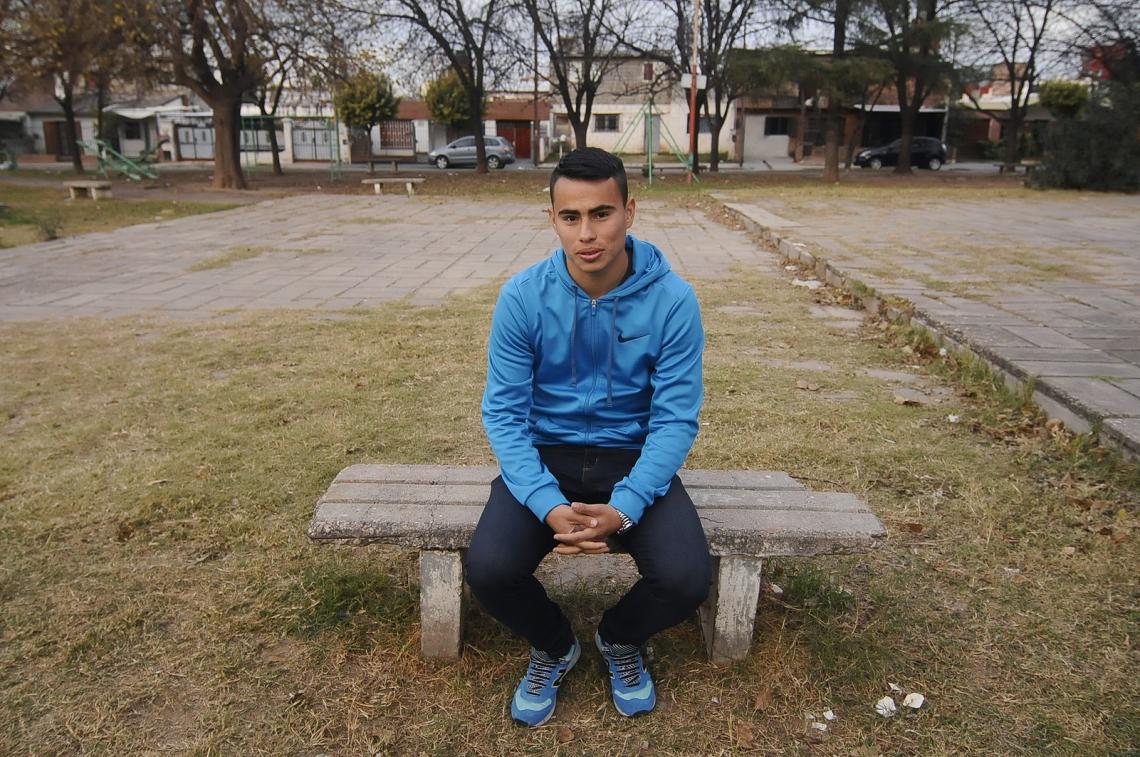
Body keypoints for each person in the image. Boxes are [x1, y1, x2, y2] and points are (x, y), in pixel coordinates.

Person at [466, 147, 710, 728]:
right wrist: (547, 504)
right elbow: (503, 413)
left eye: (602, 214)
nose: (587, 234)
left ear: (630, 211)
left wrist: (624, 508)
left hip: (631, 456)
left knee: (685, 579)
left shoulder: (674, 300)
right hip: (546, 454)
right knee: (491, 571)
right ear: (552, 218)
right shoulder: (522, 297)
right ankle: (554, 644)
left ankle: (619, 636)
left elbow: (675, 420)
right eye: (571, 217)